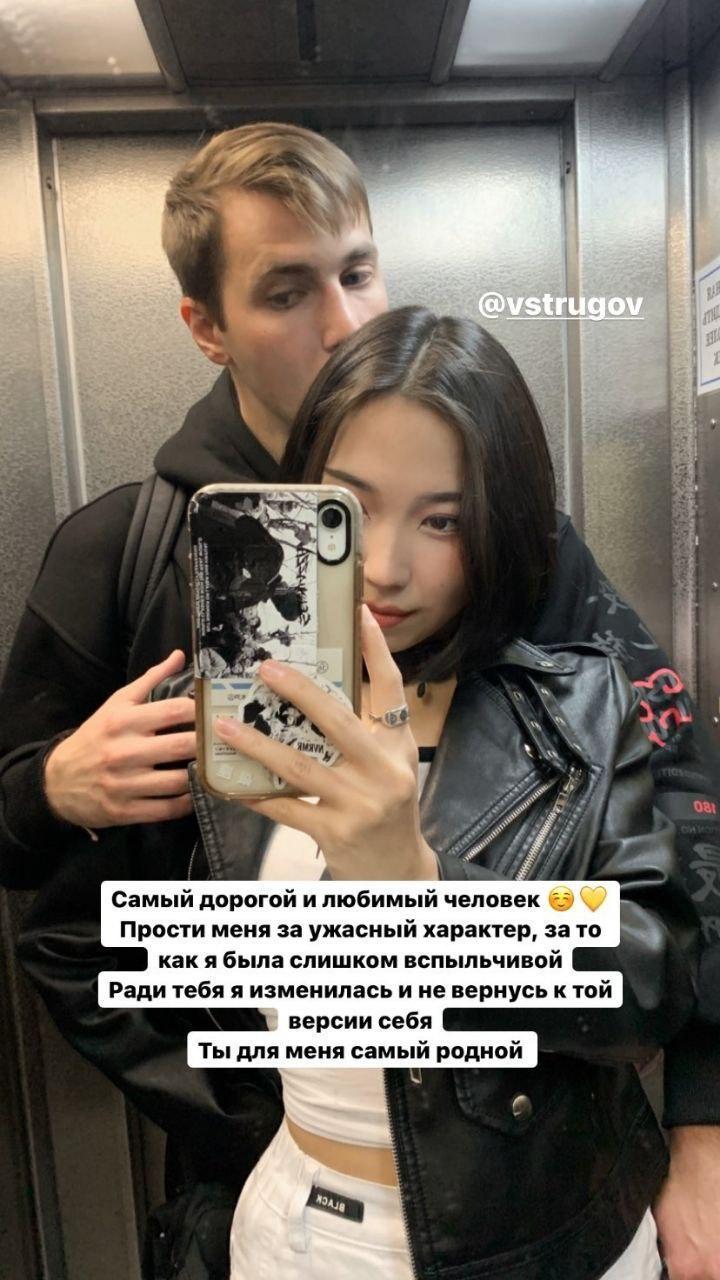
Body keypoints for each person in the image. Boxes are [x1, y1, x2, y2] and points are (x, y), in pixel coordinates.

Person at [1, 122, 719, 1276]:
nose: (342, 321)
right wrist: (48, 789)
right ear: (206, 325)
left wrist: (704, 1119)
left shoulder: (533, 589)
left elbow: (669, 879)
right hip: (274, 1194)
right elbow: (77, 923)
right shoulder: (127, 554)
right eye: (287, 290)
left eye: (358, 270)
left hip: (532, 1192)